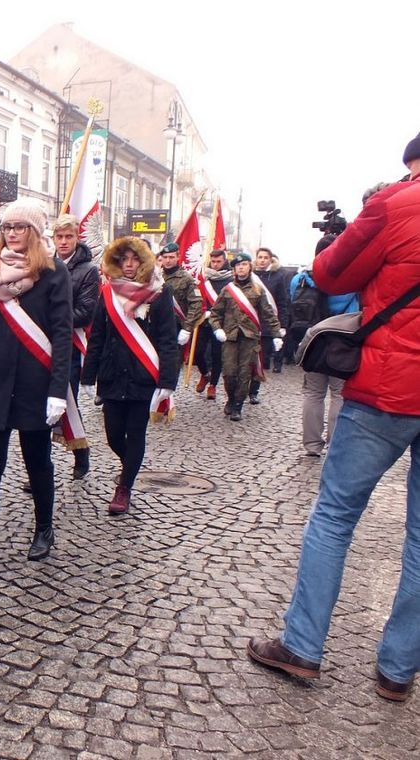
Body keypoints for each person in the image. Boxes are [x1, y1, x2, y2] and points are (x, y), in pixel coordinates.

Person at [247, 136, 420, 704]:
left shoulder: (397, 204)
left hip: (390, 391)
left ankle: (303, 646)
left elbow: (329, 272)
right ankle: (398, 669)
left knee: (335, 515)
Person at [0, 199, 72, 589]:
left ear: (35, 233)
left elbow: (61, 336)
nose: (13, 233)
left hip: (36, 386)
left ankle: (44, 527)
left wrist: (58, 390)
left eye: (21, 227)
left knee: (38, 462)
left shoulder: (54, 275)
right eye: (7, 227)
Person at [81, 237, 178, 515]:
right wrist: (89, 376)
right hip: (112, 376)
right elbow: (97, 336)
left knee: (135, 434)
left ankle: (123, 488)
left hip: (142, 377)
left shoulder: (160, 293)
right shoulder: (108, 292)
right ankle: (132, 466)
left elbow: (167, 341)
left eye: (134, 260)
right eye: (124, 260)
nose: (129, 265)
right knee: (113, 436)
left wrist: (167, 382)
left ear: (143, 262)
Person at [290, 237, 359, 457]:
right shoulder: (352, 280)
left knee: (313, 393)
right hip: (343, 339)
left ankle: (311, 445)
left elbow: (294, 303)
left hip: (314, 339)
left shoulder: (302, 279)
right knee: (339, 394)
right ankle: (334, 443)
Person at [50, 213, 98, 479]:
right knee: (39, 406)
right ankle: (40, 468)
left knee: (67, 402)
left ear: (77, 238)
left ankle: (81, 451)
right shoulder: (45, 265)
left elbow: (85, 312)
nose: (64, 241)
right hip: (44, 344)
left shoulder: (88, 271)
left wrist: (51, 319)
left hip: (69, 346)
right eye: (59, 237)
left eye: (69, 236)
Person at [207, 252, 282, 421]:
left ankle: (238, 405)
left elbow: (268, 313)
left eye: (244, 265)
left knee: (244, 373)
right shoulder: (228, 290)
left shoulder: (258, 290)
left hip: (250, 337)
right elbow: (215, 314)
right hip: (230, 337)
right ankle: (231, 398)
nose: (241, 268)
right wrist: (217, 329)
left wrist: (277, 334)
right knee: (229, 373)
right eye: (238, 266)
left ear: (250, 267)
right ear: (234, 269)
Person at [247, 246, 290, 403]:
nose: (263, 260)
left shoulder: (278, 277)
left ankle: (254, 390)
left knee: (260, 359)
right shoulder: (249, 275)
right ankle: (241, 388)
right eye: (260, 257)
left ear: (270, 259)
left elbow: (282, 302)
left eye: (266, 257)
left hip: (265, 325)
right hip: (248, 322)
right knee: (245, 358)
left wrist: (282, 325)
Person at [193, 249, 233, 401]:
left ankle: (213, 386)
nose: (215, 265)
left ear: (224, 261)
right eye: (213, 261)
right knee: (198, 353)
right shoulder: (204, 278)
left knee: (217, 356)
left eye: (219, 262)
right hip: (203, 321)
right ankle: (205, 374)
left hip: (220, 324)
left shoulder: (230, 280)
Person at [158, 241, 203, 352]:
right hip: (157, 325)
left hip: (176, 326)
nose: (168, 260)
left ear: (178, 257)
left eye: (171, 257)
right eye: (165, 257)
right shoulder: (156, 276)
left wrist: (187, 329)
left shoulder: (186, 279)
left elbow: (196, 304)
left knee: (173, 363)